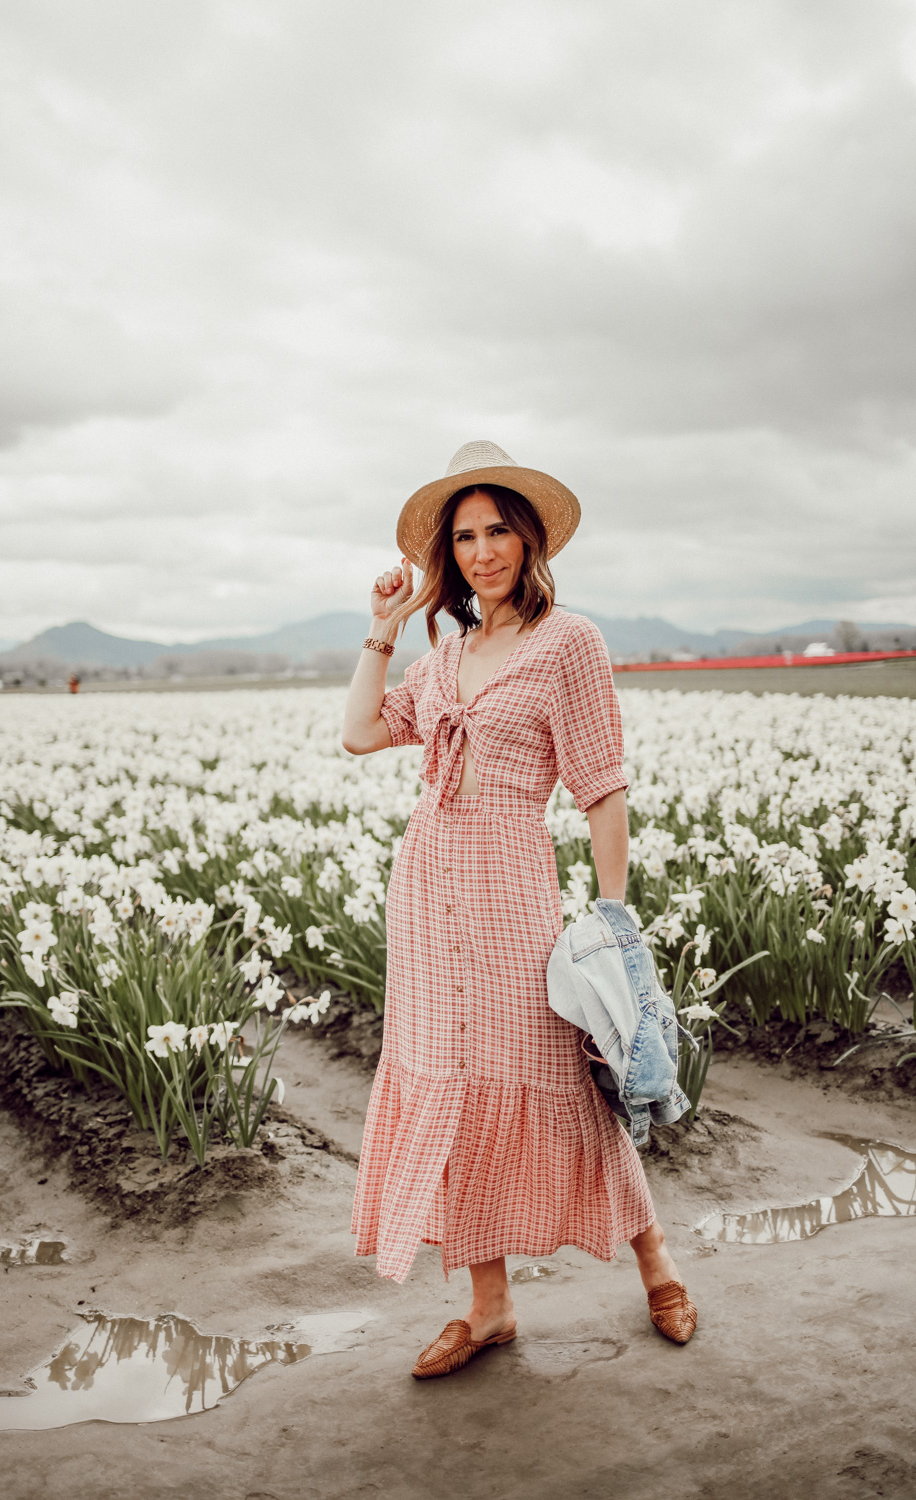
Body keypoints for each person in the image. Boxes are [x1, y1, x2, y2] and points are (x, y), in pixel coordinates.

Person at [342, 440, 696, 1380]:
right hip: (425, 895)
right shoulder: (446, 648)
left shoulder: (569, 641)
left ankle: (654, 1259)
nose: (482, 550)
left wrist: (614, 924)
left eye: (499, 529)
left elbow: (603, 788)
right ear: (446, 556)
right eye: (464, 536)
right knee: (449, 1087)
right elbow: (361, 734)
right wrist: (385, 624)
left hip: (511, 882)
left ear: (531, 539)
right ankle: (488, 1305)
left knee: (564, 1079)